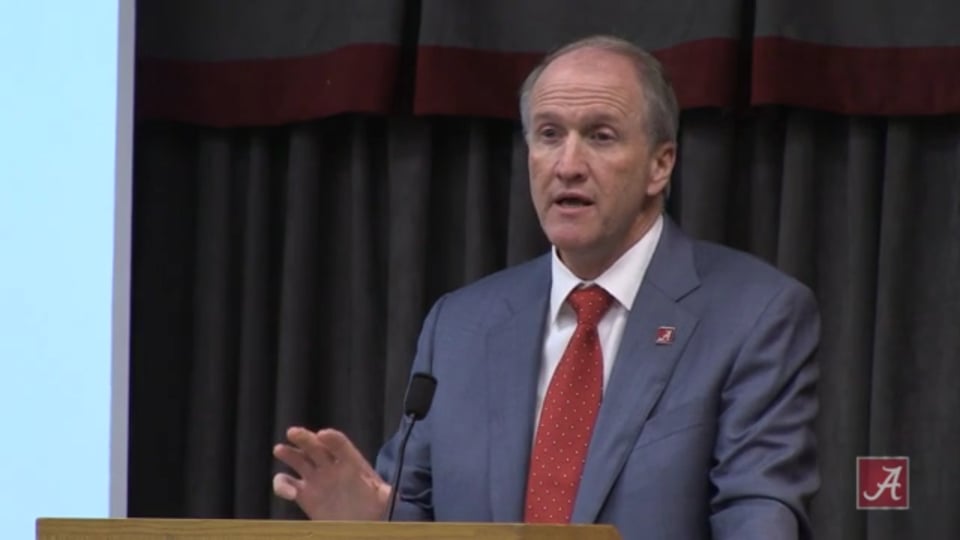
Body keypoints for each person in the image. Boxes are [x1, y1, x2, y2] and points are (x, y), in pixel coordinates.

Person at [272, 35, 820, 540]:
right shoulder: (460, 323)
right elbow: (419, 513)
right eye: (549, 135)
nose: (568, 165)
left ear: (660, 165)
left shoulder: (755, 314)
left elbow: (759, 516)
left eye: (600, 137)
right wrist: (370, 523)